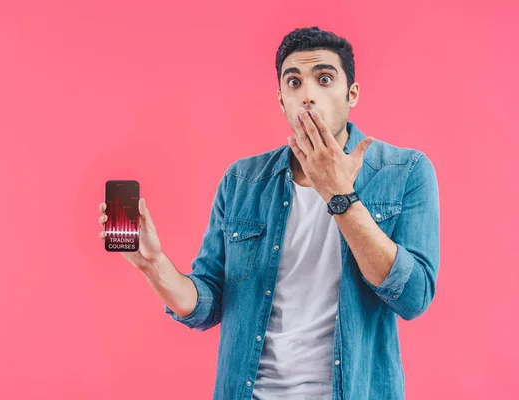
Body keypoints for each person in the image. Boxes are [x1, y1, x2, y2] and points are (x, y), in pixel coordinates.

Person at [98, 26, 440, 400]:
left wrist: (339, 195)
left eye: (324, 79)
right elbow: (207, 303)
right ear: (281, 100)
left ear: (351, 93)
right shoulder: (242, 181)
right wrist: (153, 265)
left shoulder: (404, 170)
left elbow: (413, 297)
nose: (308, 95)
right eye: (294, 83)